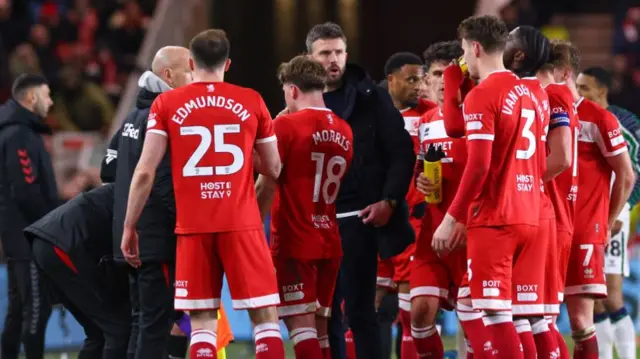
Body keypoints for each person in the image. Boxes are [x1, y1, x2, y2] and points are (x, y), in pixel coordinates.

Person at [121, 29, 284, 359]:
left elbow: (144, 172)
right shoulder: (252, 100)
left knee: (202, 323)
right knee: (265, 319)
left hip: (193, 228)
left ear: (192, 63)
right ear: (228, 64)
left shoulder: (167, 103)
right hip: (241, 224)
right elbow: (274, 168)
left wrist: (129, 226)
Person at [305, 22, 416, 359]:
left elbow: (401, 152)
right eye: (325, 53)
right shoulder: (296, 100)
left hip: (359, 221)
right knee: (319, 315)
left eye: (338, 52)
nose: (333, 59)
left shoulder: (373, 97)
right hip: (313, 222)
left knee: (360, 312)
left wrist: (390, 201)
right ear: (309, 57)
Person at [438, 15, 545, 358]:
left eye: (465, 51)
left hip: (497, 217)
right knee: (510, 314)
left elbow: (480, 165)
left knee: (496, 315)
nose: (464, 60)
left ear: (476, 47)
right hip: (530, 214)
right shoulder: (531, 94)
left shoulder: (482, 96)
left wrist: (451, 217)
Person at [255, 55, 354, 359]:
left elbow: (266, 182)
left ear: (293, 90)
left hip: (295, 241)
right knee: (321, 328)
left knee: (301, 328)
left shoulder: (285, 125)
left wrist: (251, 230)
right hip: (329, 238)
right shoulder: (345, 130)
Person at [104, 46, 193, 359]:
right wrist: (186, 219)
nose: (194, 76)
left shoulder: (132, 116)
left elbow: (108, 169)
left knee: (141, 323)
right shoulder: (162, 117)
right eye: (188, 69)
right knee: (155, 328)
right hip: (155, 240)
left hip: (129, 240)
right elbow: (162, 179)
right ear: (168, 75)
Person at [550, 41, 635, 359]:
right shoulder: (541, 112)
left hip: (594, 226)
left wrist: (611, 217)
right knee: (541, 315)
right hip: (549, 227)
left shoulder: (609, 121)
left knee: (601, 305)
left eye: (547, 71)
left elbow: (629, 174)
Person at [503, 25, 570, 359]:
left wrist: (518, 180)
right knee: (535, 317)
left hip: (536, 209)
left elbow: (562, 159)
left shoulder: (548, 95)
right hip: (539, 209)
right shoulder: (536, 94)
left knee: (525, 317)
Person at [23, 184, 132, 359]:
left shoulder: (127, 186)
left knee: (98, 332)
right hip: (62, 243)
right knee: (118, 328)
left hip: (49, 241)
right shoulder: (142, 192)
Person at [576, 66, 639, 359]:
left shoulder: (626, 123)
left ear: (602, 90)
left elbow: (634, 173)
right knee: (592, 299)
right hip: (587, 216)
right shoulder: (577, 119)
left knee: (612, 297)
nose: (579, 93)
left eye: (585, 88)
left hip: (614, 215)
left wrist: (621, 210)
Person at [411, 40, 467, 358]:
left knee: (474, 324)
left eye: (451, 73)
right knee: (419, 312)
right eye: (436, 74)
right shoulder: (427, 122)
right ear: (427, 80)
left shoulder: (479, 116)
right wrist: (421, 179)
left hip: (470, 232)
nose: (444, 82)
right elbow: (424, 168)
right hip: (433, 233)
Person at [378, 51, 435, 359]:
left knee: (410, 313)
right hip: (372, 222)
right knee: (364, 310)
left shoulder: (429, 115)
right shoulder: (371, 112)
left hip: (411, 224)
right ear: (391, 80)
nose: (419, 86)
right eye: (411, 79)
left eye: (422, 79)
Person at [0, 74, 56, 359]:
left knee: (20, 307)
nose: (51, 101)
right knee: (37, 307)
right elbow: (25, 190)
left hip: (17, 234)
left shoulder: (17, 130)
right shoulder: (19, 134)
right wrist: (50, 226)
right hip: (28, 235)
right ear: (31, 97)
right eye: (47, 95)